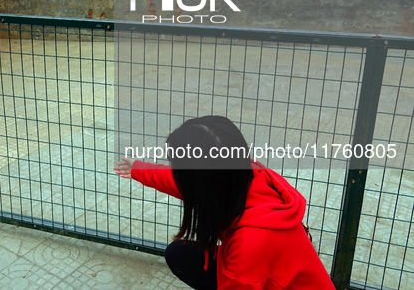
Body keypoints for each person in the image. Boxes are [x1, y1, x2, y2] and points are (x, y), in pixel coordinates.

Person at [114, 115, 335, 289]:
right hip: (264, 271)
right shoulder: (248, 173)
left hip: (259, 269)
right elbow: (187, 182)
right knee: (179, 254)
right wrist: (139, 168)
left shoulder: (248, 245)